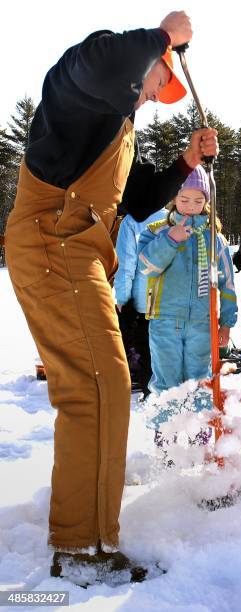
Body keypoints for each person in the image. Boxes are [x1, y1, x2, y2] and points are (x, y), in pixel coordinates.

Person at [4, 11, 219, 583]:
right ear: (145, 66)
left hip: (80, 252)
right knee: (96, 389)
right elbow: (98, 62)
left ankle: (91, 540)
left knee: (103, 389)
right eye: (155, 84)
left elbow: (138, 196)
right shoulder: (80, 90)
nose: (153, 98)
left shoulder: (114, 130)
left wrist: (186, 165)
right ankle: (80, 547)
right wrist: (165, 35)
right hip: (55, 242)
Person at [138, 166, 237, 410]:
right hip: (165, 319)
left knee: (199, 382)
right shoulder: (156, 232)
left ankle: (198, 438)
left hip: (202, 323)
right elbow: (147, 267)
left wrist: (226, 322)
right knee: (166, 381)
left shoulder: (214, 238)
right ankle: (167, 438)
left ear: (206, 201)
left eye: (198, 200)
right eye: (184, 199)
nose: (191, 205)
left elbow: (226, 284)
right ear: (174, 198)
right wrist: (170, 240)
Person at [115, 207, 168, 398]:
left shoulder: (131, 222)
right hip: (170, 297)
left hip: (144, 298)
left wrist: (122, 298)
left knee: (146, 351)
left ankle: (151, 396)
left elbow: (127, 264)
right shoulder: (173, 217)